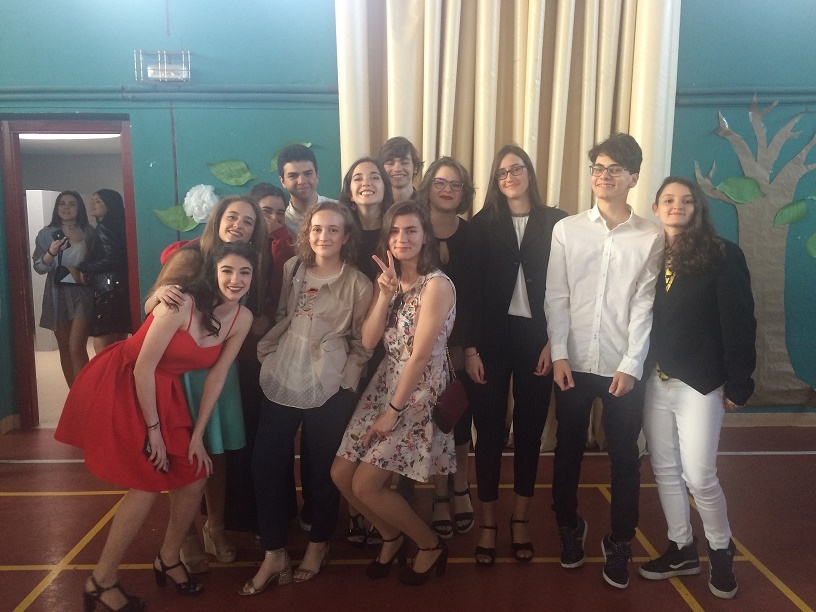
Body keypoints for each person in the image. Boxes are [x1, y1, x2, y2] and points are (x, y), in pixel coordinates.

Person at [55, 242, 256, 611]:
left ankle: (168, 557)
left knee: (195, 473)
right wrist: (154, 432)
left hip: (166, 390)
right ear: (212, 273)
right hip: (126, 381)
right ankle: (101, 580)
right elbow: (142, 368)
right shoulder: (180, 304)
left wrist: (198, 436)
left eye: (245, 272)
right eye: (227, 270)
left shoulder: (241, 318)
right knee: (147, 480)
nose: (236, 279)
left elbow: (217, 376)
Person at [544, 133, 663, 589]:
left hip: (621, 368)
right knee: (567, 450)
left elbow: (645, 305)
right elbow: (557, 296)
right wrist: (558, 353)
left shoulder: (651, 236)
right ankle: (568, 526)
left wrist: (632, 364)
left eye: (614, 169)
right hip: (572, 363)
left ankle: (620, 541)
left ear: (633, 177)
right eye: (597, 167)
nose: (603, 176)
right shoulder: (567, 229)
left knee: (624, 456)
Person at [241, 201, 373, 595]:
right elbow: (286, 314)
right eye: (317, 228)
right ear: (307, 233)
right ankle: (274, 552)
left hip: (331, 380)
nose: (324, 236)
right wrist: (268, 348)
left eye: (333, 229)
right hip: (286, 369)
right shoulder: (293, 268)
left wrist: (346, 383)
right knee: (265, 462)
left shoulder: (358, 284)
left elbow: (362, 343)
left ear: (346, 237)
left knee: (322, 469)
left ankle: (318, 544)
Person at [638, 177, 756, 599]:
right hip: (656, 380)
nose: (677, 206)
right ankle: (681, 547)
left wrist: (740, 382)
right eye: (668, 200)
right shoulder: (651, 254)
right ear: (656, 208)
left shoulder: (723, 254)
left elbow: (740, 321)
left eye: (687, 200)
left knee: (700, 476)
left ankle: (721, 550)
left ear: (698, 208)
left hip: (700, 383)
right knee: (665, 469)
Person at [332, 200, 456, 586]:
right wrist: (384, 294)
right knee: (341, 474)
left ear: (425, 236)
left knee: (366, 485)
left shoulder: (436, 285)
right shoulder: (389, 280)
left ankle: (429, 545)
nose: (402, 238)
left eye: (411, 230)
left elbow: (420, 355)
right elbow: (369, 341)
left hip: (417, 393)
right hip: (385, 381)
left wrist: (393, 411)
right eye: (395, 232)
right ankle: (391, 535)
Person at [147, 195, 268, 573]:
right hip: (181, 372)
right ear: (217, 218)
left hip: (220, 370)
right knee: (181, 453)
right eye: (233, 217)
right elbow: (152, 306)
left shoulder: (250, 263)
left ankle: (215, 527)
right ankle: (185, 535)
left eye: (248, 221)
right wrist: (157, 296)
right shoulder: (190, 256)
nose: (239, 225)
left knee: (218, 451)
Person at [462, 145, 566, 564]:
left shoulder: (557, 222)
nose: (510, 177)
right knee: (487, 433)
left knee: (529, 431)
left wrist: (555, 343)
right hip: (489, 342)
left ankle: (519, 518)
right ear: (495, 180)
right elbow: (468, 293)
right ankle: (488, 523)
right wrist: (470, 348)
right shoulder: (480, 225)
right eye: (502, 172)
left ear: (529, 173)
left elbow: (568, 287)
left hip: (538, 340)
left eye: (516, 169)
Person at [416, 156, 477, 539]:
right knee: (433, 418)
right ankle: (439, 494)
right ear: (428, 187)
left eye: (455, 184)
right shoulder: (414, 230)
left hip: (460, 343)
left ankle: (461, 487)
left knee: (458, 415)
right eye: (440, 182)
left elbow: (476, 297)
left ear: (464, 192)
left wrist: (466, 347)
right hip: (420, 343)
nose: (447, 190)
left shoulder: (472, 234)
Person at [337, 156, 394, 546]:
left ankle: (379, 508)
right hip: (342, 343)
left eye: (374, 176)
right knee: (346, 427)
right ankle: (356, 510)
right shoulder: (340, 229)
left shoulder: (395, 229)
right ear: (349, 188)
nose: (366, 182)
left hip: (388, 345)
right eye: (358, 177)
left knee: (377, 431)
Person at [31, 190, 95, 386]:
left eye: (72, 203)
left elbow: (97, 261)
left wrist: (87, 271)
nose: (66, 207)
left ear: (79, 208)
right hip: (57, 293)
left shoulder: (88, 231)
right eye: (62, 203)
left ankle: (87, 393)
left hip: (83, 292)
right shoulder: (46, 233)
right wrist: (51, 252)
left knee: (76, 346)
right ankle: (74, 395)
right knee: (65, 348)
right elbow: (39, 268)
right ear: (56, 207)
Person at [80, 189, 132, 351]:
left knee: (102, 340)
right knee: (119, 339)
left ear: (109, 204)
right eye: (92, 200)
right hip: (120, 287)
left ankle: (106, 368)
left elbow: (112, 259)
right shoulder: (119, 224)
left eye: (98, 201)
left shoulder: (104, 227)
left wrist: (84, 267)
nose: (92, 204)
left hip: (108, 289)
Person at [277, 144, 331, 240]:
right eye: (293, 176)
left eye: (308, 174)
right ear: (283, 181)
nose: (301, 181)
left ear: (317, 176)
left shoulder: (339, 212)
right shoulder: (281, 222)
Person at [379, 136, 423, 202]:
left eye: (404, 162)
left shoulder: (427, 204)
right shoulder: (374, 205)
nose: (397, 169)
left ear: (415, 167)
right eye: (390, 163)